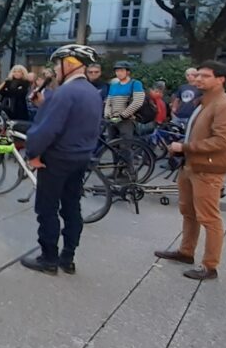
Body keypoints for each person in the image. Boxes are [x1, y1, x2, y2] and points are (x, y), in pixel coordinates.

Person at [19, 44, 103, 274]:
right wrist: (45, 105)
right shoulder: (91, 92)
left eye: (57, 63)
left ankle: (48, 258)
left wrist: (32, 154)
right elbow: (74, 120)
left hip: (56, 158)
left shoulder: (65, 92)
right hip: (80, 157)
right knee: (71, 207)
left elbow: (47, 130)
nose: (55, 69)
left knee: (47, 208)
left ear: (71, 64)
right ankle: (68, 258)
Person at [154, 61, 226, 281]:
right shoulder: (204, 102)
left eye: (205, 76)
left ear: (220, 79)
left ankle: (210, 266)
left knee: (209, 218)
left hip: (208, 168)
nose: (198, 79)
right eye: (197, 75)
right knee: (189, 212)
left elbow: (222, 141)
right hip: (191, 165)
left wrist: (184, 147)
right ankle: (186, 252)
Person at [104, 61, 144, 139]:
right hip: (112, 120)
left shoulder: (135, 83)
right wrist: (107, 115)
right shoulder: (113, 86)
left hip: (127, 120)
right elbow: (108, 102)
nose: (119, 73)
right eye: (117, 71)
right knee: (112, 145)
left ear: (128, 72)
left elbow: (138, 102)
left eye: (122, 71)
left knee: (125, 145)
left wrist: (123, 116)